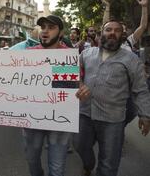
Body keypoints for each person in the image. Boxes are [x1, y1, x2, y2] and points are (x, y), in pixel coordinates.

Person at [74, 20, 150, 176]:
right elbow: (71, 70)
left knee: (109, 163)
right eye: (108, 29)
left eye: (117, 30)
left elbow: (140, 90)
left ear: (122, 35)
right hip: (85, 114)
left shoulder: (131, 60)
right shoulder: (87, 54)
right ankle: (88, 165)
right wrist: (80, 84)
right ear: (101, 33)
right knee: (79, 145)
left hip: (113, 120)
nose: (112, 33)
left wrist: (145, 115)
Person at [23, 15, 90, 176]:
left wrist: (82, 89)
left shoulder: (68, 56)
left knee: (57, 168)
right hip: (33, 119)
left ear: (61, 33)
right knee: (32, 161)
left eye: (51, 27)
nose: (45, 31)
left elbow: (74, 83)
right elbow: (11, 82)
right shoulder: (27, 54)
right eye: (43, 27)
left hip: (59, 120)